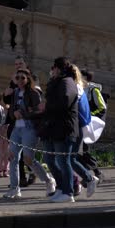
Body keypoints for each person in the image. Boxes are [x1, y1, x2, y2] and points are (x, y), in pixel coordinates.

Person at [3, 69, 56, 199]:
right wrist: (14, 114)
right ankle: (15, 188)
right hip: (17, 129)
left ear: (28, 79)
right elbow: (10, 111)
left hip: (29, 128)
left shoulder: (33, 92)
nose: (20, 81)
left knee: (28, 159)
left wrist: (24, 113)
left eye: (23, 78)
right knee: (12, 157)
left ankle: (49, 181)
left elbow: (39, 111)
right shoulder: (15, 92)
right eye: (17, 78)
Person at [39, 57, 79, 203]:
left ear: (58, 68)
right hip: (53, 128)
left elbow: (64, 102)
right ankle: (62, 188)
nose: (51, 70)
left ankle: (68, 192)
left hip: (64, 128)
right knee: (49, 159)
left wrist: (46, 106)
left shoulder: (67, 82)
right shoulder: (57, 82)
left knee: (63, 161)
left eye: (53, 67)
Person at [69, 65, 99, 198]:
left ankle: (87, 179)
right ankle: (72, 186)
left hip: (75, 127)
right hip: (76, 127)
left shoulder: (75, 89)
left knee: (69, 158)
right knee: (67, 158)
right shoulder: (78, 87)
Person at [3, 56, 31, 187]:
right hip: (14, 121)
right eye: (16, 64)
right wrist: (6, 94)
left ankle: (39, 174)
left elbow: (34, 98)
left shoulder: (30, 78)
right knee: (14, 153)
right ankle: (19, 181)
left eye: (20, 63)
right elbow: (8, 101)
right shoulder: (14, 80)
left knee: (28, 153)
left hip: (27, 122)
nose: (18, 66)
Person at [79, 69, 106, 182]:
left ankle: (96, 172)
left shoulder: (93, 90)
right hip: (79, 123)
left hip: (88, 123)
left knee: (84, 150)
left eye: (81, 76)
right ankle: (87, 174)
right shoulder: (79, 89)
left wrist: (89, 115)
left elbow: (102, 107)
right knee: (78, 151)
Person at [0, 94, 9, 178]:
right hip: (0, 131)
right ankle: (0, 169)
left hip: (5, 132)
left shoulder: (4, 108)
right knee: (0, 152)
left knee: (5, 152)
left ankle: (5, 169)